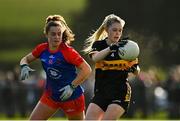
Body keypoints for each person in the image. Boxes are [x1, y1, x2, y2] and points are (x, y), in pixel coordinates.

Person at [19, 15, 92, 120]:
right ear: (47, 34)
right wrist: (24, 65)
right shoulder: (42, 49)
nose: (57, 37)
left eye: (59, 34)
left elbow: (87, 69)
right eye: (53, 34)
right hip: (51, 95)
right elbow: (25, 59)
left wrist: (72, 86)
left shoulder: (68, 52)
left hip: (71, 97)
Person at [83, 14, 140, 120]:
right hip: (101, 92)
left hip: (120, 93)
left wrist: (134, 70)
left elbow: (136, 70)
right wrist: (110, 48)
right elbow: (95, 58)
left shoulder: (126, 47)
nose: (117, 33)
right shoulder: (99, 45)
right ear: (106, 30)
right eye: (114, 30)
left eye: (120, 30)